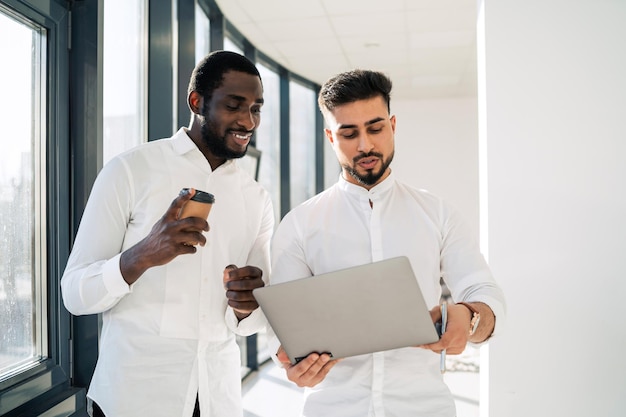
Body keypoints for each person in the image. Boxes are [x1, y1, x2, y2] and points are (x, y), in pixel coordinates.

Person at [268, 69, 506, 417]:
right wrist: (290, 364)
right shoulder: (300, 225)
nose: (365, 145)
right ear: (331, 138)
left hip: (425, 407)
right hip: (333, 409)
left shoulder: (437, 214)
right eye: (348, 134)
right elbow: (284, 329)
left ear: (393, 125)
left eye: (375, 128)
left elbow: (486, 294)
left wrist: (469, 317)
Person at [61, 51, 274, 417]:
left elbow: (252, 323)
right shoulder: (129, 171)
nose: (247, 120)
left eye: (256, 108)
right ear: (197, 102)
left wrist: (246, 304)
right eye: (234, 105)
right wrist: (141, 255)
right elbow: (74, 295)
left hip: (218, 399)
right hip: (133, 400)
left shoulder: (257, 198)